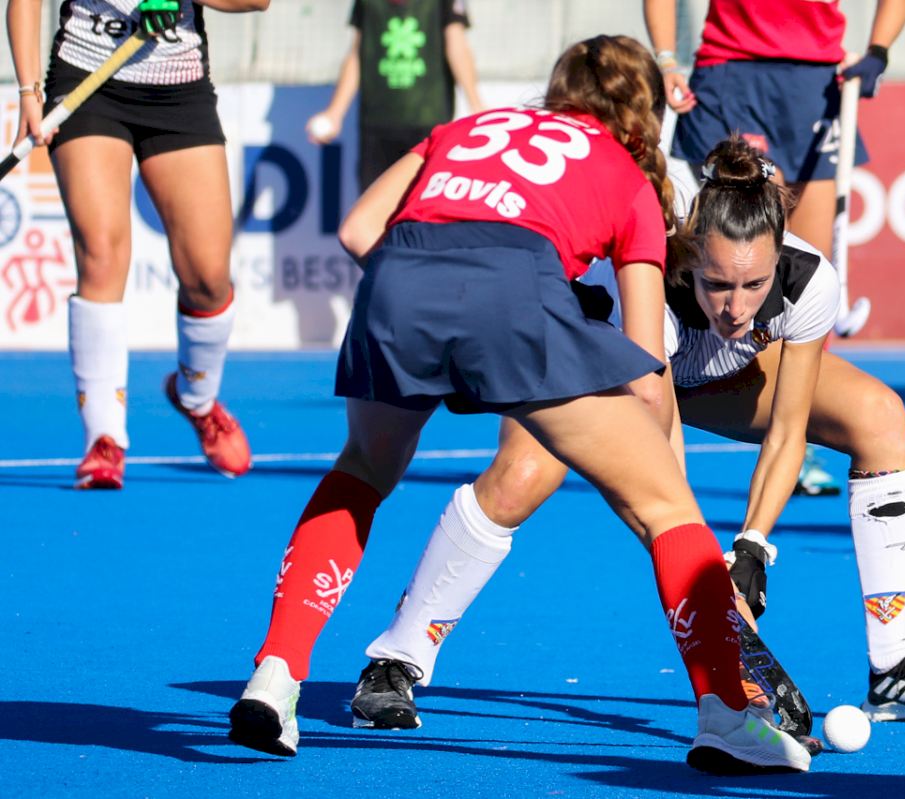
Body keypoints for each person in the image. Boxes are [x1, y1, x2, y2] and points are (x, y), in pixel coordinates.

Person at [227, 35, 813, 774]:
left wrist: (441, 311)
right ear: (644, 115)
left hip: (397, 284)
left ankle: (275, 673)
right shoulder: (628, 176)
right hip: (514, 302)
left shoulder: (470, 127)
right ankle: (726, 714)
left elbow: (357, 231)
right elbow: (645, 365)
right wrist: (657, 491)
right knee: (669, 508)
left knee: (364, 469)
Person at [348, 137, 905, 734]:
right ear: (692, 258)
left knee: (880, 416)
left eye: (754, 285)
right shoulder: (655, 281)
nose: (736, 307)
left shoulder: (810, 280)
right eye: (718, 284)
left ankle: (896, 665)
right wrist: (707, 579)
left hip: (716, 378)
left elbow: (788, 431)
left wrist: (752, 549)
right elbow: (660, 466)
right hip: (597, 369)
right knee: (522, 475)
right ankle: (395, 660)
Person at [645, 0, 905, 497]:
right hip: (732, 73)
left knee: (804, 270)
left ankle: (792, 437)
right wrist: (665, 59)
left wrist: (878, 51)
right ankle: (676, 393)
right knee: (733, 251)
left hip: (817, 82)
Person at [6, 0, 264, 489]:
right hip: (87, 81)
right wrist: (28, 91)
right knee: (101, 255)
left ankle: (197, 398)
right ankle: (103, 439)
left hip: (178, 89)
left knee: (208, 278)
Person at [305, 0, 485, 192]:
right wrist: (335, 112)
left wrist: (475, 105)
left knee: (422, 199)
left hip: (429, 125)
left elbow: (457, 46)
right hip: (377, 124)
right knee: (375, 201)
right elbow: (357, 53)